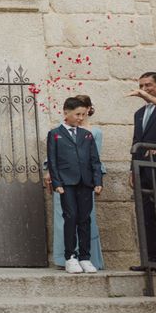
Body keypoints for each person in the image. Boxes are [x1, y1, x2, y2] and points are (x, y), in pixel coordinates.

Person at [44, 95, 105, 269]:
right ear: (66, 113)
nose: (80, 118)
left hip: (85, 183)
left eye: (83, 115)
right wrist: (57, 183)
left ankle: (85, 257)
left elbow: (95, 160)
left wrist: (97, 180)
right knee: (70, 217)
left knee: (85, 219)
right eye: (77, 114)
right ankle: (70, 256)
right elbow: (53, 161)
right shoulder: (55, 134)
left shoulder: (87, 135)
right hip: (66, 184)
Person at [127, 72, 156, 271]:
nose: (145, 89)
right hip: (142, 170)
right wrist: (131, 169)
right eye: (141, 85)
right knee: (146, 216)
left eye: (149, 85)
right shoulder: (138, 113)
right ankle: (153, 260)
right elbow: (136, 141)